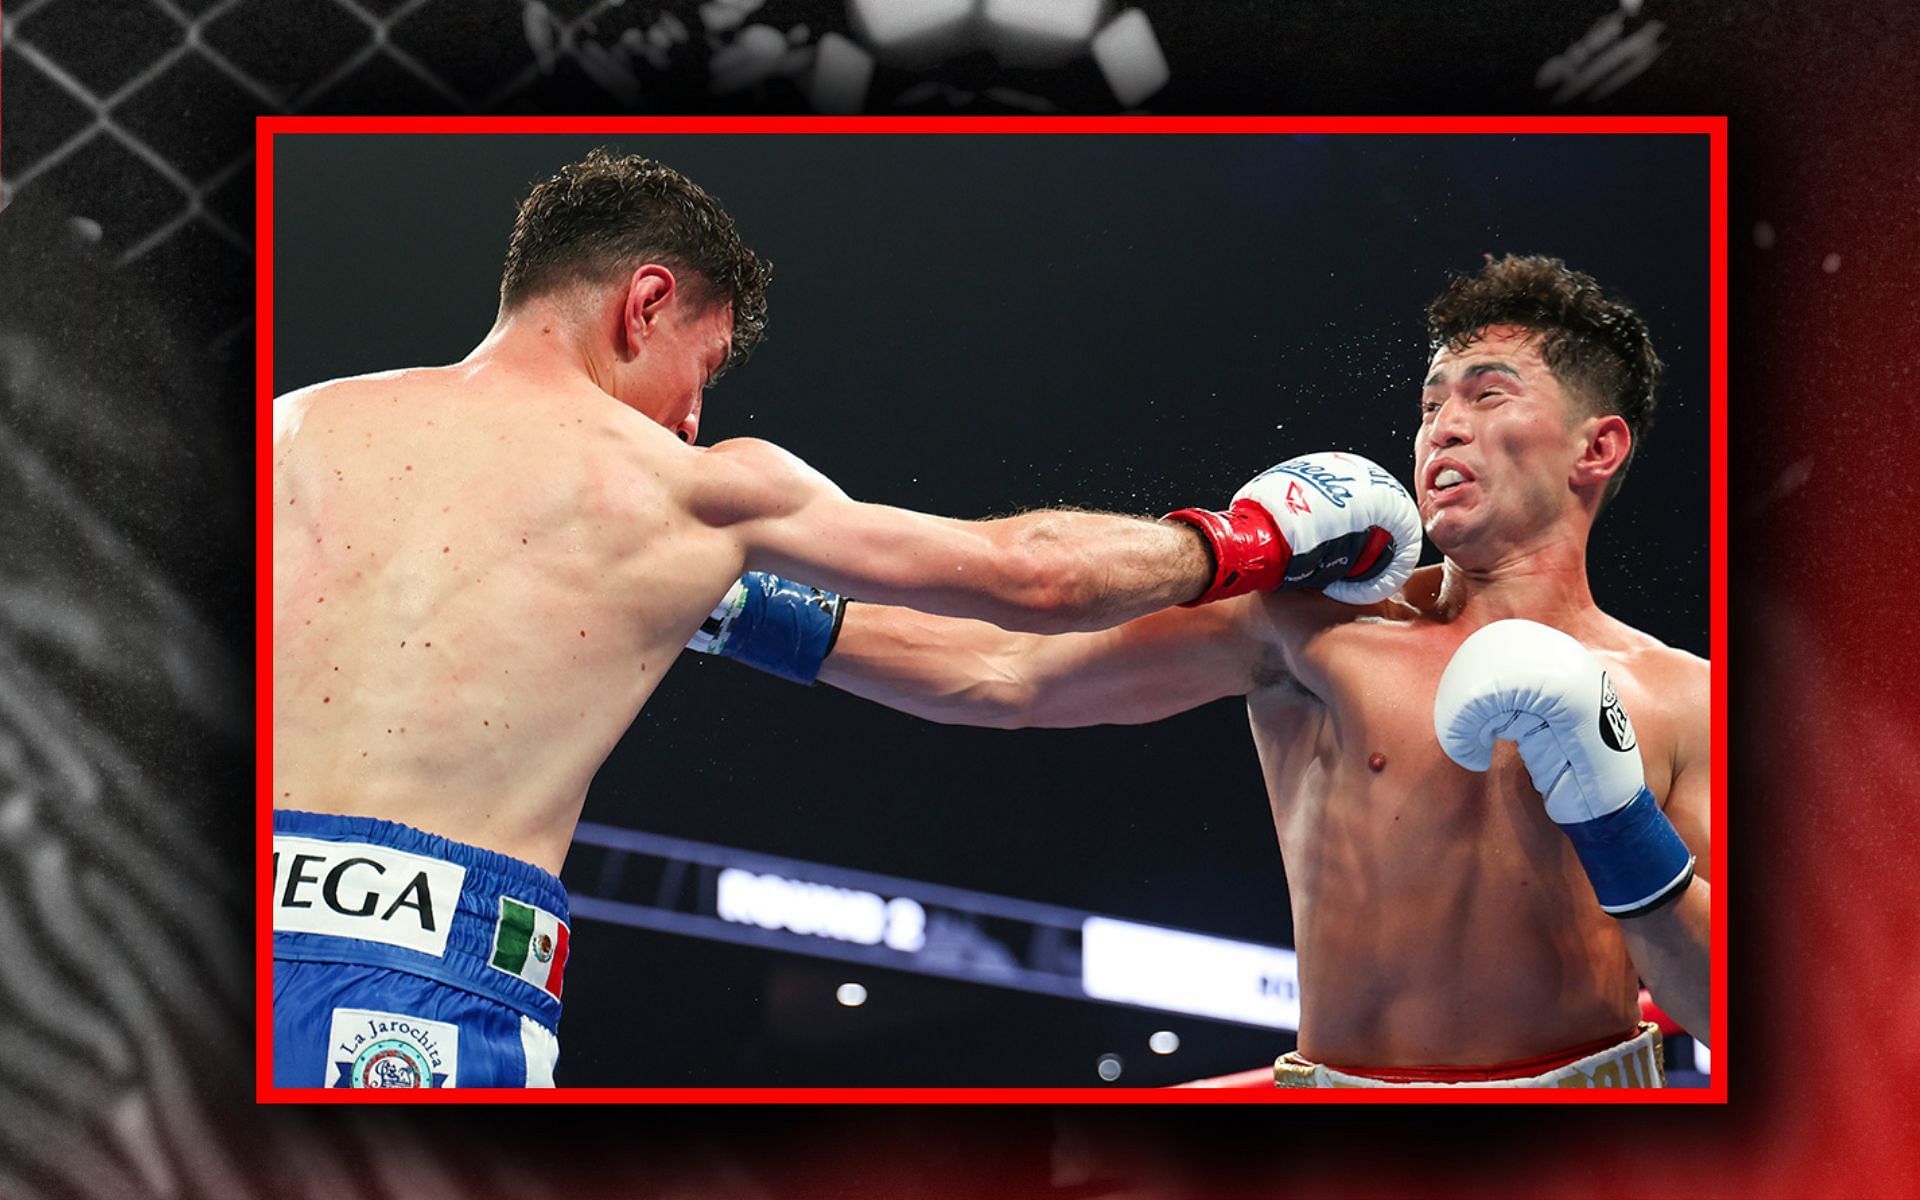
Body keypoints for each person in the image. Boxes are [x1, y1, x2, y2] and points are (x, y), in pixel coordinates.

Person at [270, 149, 1418, 1088]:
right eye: (703, 365)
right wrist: (1254, 540)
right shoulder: (686, 489)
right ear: (648, 301)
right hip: (412, 986)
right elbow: (1028, 582)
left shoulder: (292, 430)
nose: (692, 414)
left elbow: (980, 676)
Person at [730, 255, 1711, 1088]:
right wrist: (737, 608)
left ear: (1599, 446)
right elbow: (1007, 668)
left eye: (1487, 393)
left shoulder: (1683, 697)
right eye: (1430, 401)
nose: (1441, 427)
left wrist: (1616, 820)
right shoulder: (1313, 621)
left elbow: (1725, 1004)